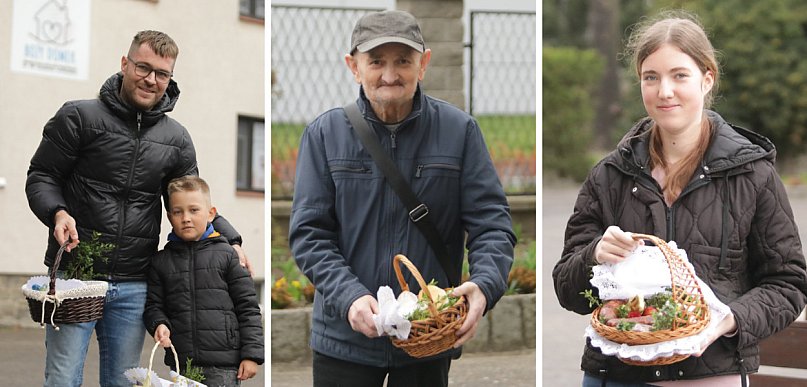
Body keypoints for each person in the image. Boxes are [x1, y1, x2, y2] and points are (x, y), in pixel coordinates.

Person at [552, 12, 807, 386]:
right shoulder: (609, 176)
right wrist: (593, 256)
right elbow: (565, 288)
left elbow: (788, 284)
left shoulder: (753, 174)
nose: (664, 91)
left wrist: (727, 320)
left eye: (679, 75)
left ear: (707, 79)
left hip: (712, 374)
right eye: (650, 77)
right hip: (619, 376)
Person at [288, 9, 516, 387]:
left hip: (428, 336)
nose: (390, 75)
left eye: (403, 61)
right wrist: (349, 297)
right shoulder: (324, 134)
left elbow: (492, 224)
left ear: (423, 64)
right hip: (344, 341)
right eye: (376, 61)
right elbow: (309, 234)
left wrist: (485, 284)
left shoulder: (460, 132)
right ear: (353, 66)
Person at [25, 30, 251, 386]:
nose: (151, 79)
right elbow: (41, 175)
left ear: (170, 78)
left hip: (134, 283)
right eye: (143, 68)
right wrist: (58, 213)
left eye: (162, 73)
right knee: (63, 378)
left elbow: (191, 204)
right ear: (125, 64)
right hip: (76, 277)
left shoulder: (176, 139)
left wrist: (232, 239)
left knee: (123, 382)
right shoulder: (79, 117)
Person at [143, 176, 263, 386]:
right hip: (182, 364)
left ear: (211, 213)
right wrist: (158, 324)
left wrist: (251, 355)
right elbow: (153, 305)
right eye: (178, 212)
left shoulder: (227, 255)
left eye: (193, 210)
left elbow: (248, 308)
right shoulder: (161, 261)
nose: (186, 218)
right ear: (170, 217)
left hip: (223, 365)